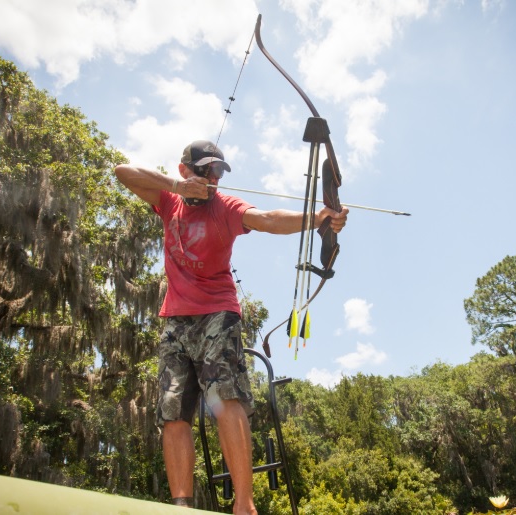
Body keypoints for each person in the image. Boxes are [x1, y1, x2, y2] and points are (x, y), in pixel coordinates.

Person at [114, 140, 348, 514]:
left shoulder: (226, 207)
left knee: (225, 398)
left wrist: (319, 218)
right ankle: (181, 506)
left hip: (217, 313)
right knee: (173, 413)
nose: (212, 178)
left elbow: (269, 219)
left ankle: (244, 504)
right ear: (184, 169)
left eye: (218, 172)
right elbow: (122, 172)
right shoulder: (169, 201)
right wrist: (176, 189)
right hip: (175, 320)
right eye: (205, 169)